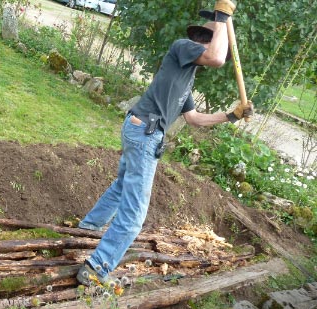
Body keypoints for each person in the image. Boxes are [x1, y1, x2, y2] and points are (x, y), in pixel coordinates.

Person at [76, 0, 253, 286]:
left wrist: (231, 116)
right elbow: (217, 57)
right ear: (201, 42)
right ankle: (97, 267)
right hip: (145, 133)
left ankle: (88, 228)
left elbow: (194, 119)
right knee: (134, 216)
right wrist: (222, 16)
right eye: (211, 42)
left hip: (142, 131)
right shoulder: (182, 46)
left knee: (122, 187)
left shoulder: (186, 76)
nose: (213, 50)